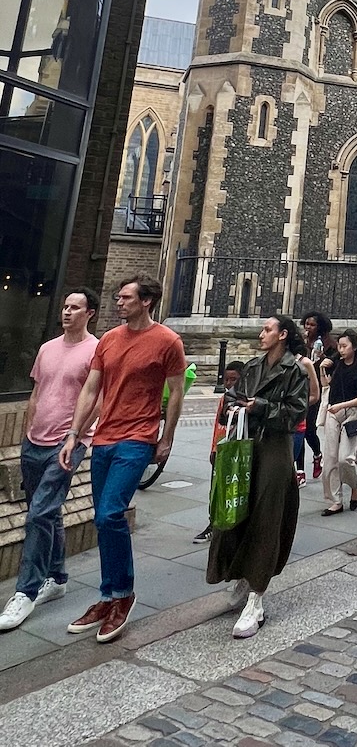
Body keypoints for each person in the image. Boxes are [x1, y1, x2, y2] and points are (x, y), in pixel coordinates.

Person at [60, 274, 187, 644]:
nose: (119, 302)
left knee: (110, 513)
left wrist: (167, 438)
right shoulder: (110, 340)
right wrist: (73, 435)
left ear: (146, 301)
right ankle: (107, 596)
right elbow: (91, 389)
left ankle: (124, 595)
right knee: (103, 521)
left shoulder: (167, 341)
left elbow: (176, 392)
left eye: (126, 297)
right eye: (118, 297)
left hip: (137, 438)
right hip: (104, 438)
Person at [0, 288, 100, 634]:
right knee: (48, 513)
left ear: (90, 313)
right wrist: (26, 432)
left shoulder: (95, 350)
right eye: (65, 306)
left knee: (38, 513)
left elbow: (98, 400)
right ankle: (57, 577)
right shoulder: (46, 348)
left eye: (75, 308)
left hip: (67, 443)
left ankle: (25, 591)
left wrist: (76, 436)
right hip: (34, 442)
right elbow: (37, 392)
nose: (67, 312)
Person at [207, 314, 309, 638]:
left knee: (266, 519)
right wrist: (235, 407)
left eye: (267, 329)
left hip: (275, 449)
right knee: (236, 511)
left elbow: (296, 412)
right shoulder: (252, 366)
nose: (261, 333)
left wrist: (261, 407)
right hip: (246, 444)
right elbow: (231, 399)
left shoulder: (295, 370)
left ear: (282, 335)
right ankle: (240, 574)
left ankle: (256, 598)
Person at [193, 360, 246, 543]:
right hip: (221, 449)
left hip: (234, 451)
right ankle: (213, 523)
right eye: (227, 379)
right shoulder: (225, 399)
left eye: (234, 379)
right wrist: (213, 449)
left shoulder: (243, 399)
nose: (229, 383)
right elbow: (218, 426)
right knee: (216, 490)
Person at [318, 329, 357, 515]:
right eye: (339, 346)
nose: (340, 350)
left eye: (344, 346)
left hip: (352, 412)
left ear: (354, 347)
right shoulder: (336, 364)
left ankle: (355, 487)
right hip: (333, 411)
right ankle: (335, 500)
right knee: (330, 458)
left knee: (345, 458)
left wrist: (343, 405)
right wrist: (322, 369)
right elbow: (326, 386)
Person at [300, 312, 334, 480]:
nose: (308, 327)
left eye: (312, 325)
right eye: (306, 324)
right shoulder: (301, 342)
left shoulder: (328, 343)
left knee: (309, 430)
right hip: (300, 388)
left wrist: (324, 357)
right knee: (299, 429)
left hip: (317, 389)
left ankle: (317, 454)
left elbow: (336, 362)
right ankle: (299, 471)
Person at [292, 349, 321, 487]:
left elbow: (315, 395)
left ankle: (317, 454)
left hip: (308, 403)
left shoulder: (305, 363)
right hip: (292, 409)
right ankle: (300, 471)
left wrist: (299, 404)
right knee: (300, 435)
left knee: (309, 433)